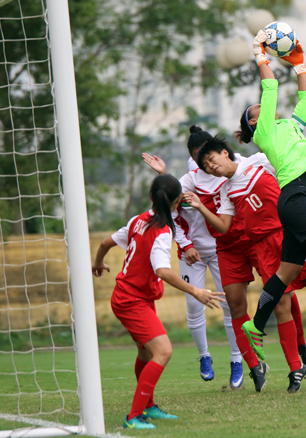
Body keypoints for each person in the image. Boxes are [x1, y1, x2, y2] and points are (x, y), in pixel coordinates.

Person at [185, 137, 306, 393]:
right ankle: (291, 369)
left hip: (288, 235)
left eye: (211, 159)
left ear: (225, 152)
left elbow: (291, 167)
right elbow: (223, 225)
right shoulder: (222, 189)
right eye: (204, 164)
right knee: (277, 302)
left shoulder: (259, 161)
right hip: (260, 246)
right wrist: (201, 207)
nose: (210, 166)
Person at [91, 174, 224, 429]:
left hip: (133, 296)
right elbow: (163, 271)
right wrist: (196, 291)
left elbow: (105, 242)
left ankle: (148, 406)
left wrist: (98, 262)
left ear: (152, 197)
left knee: (147, 352)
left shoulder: (138, 220)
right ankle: (133, 417)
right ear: (177, 204)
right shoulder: (163, 232)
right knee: (163, 351)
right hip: (131, 300)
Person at [234, 32, 306, 352]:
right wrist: (259, 54)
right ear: (254, 125)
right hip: (294, 197)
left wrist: (300, 65)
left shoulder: (289, 126)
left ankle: (255, 323)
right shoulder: (265, 132)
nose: (261, 110)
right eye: (255, 112)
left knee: (286, 271)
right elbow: (270, 88)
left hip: (298, 198)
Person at [143, 126, 244, 389]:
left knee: (230, 307)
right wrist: (186, 244)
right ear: (193, 157)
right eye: (200, 157)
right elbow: (170, 208)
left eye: (209, 156)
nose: (207, 163)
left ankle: (236, 360)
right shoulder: (189, 179)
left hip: (225, 250)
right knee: (193, 306)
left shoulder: (233, 170)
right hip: (193, 254)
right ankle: (204, 356)